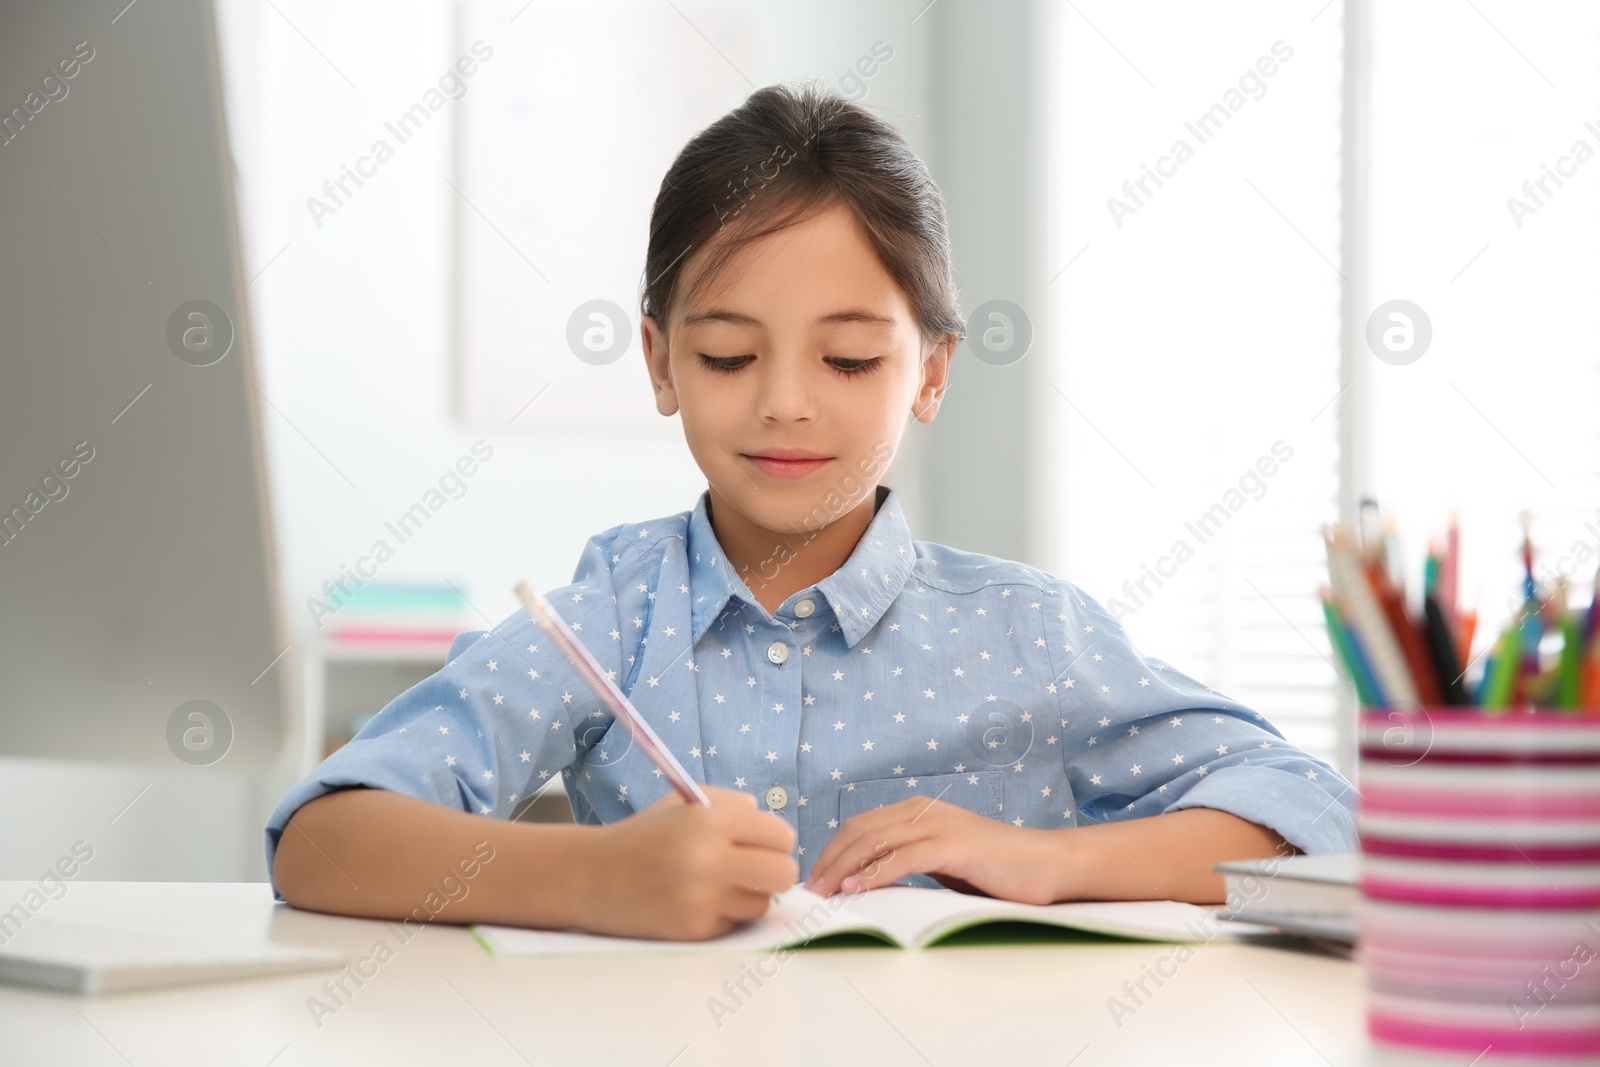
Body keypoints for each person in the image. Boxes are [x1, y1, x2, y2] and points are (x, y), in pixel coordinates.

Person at [268, 80, 1357, 942]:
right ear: (660, 362)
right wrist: (597, 876)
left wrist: (1059, 860)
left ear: (928, 373)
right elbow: (321, 838)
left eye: (845, 357)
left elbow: (1311, 810)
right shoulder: (613, 615)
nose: (785, 399)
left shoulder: (1029, 634)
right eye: (729, 353)